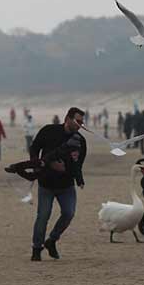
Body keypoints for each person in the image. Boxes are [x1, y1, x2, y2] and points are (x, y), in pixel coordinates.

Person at [27, 107, 87, 261]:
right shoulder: (48, 131)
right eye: (78, 121)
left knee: (69, 213)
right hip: (46, 183)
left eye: (82, 122)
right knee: (43, 216)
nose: (80, 124)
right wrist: (39, 164)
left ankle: (52, 240)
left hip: (66, 185)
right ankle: (36, 249)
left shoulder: (80, 141)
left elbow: (78, 165)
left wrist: (74, 174)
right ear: (67, 118)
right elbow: (34, 149)